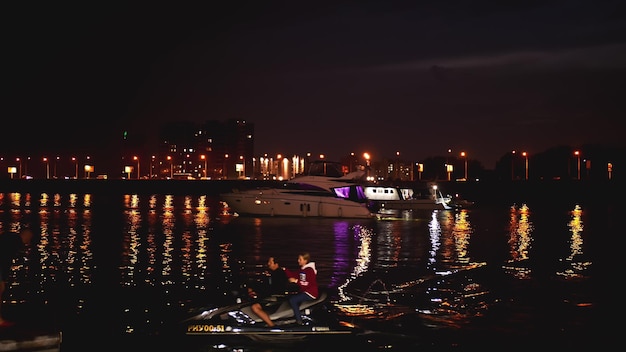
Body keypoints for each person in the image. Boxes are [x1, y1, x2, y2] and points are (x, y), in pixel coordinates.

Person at [0, 228, 33, 327]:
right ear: (26, 235)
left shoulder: (9, 236)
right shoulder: (15, 242)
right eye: (29, 238)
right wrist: (2, 279)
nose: (28, 241)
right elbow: (5, 259)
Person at [247, 256, 288, 327]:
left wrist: (258, 292)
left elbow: (272, 288)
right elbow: (265, 286)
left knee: (255, 307)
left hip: (276, 298)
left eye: (270, 262)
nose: (268, 264)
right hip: (272, 296)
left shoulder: (279, 274)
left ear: (276, 264)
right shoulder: (273, 273)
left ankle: (271, 325)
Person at [285, 252, 318, 325]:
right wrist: (285, 270)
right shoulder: (303, 270)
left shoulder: (309, 270)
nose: (298, 261)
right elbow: (293, 275)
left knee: (293, 300)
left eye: (300, 259)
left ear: (305, 261)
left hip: (310, 293)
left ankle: (299, 321)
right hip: (305, 291)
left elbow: (308, 283)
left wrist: (296, 281)